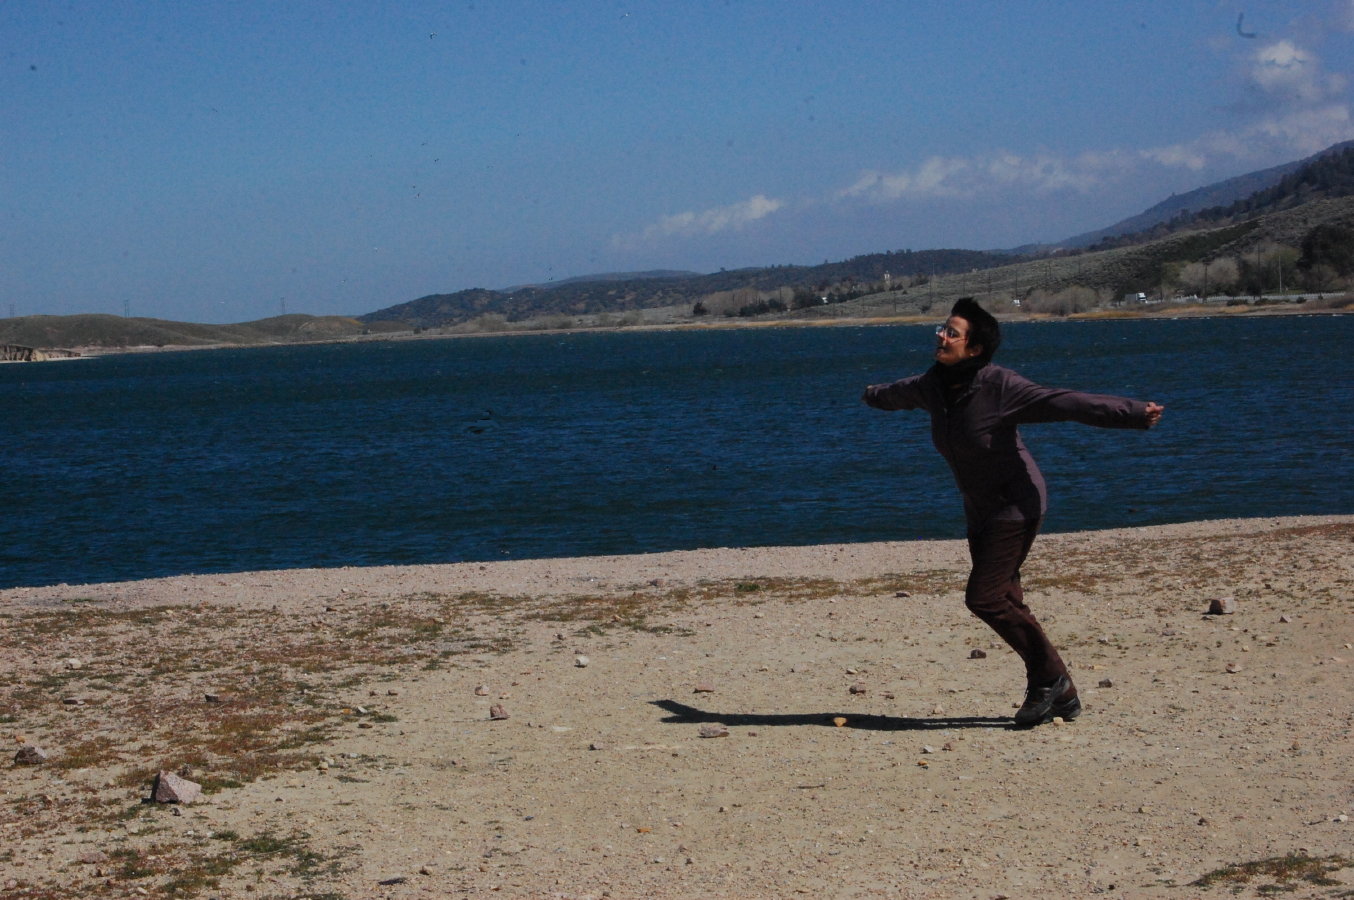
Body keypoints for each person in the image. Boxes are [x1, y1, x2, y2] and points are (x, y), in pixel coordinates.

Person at [862, 297, 1164, 727]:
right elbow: (898, 393)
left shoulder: (1000, 386)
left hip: (1016, 504)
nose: (940, 336)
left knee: (985, 597)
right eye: (942, 329)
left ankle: (1052, 679)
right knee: (1006, 598)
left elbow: (1064, 402)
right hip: (980, 507)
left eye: (951, 332)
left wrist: (1131, 413)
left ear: (974, 348)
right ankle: (1058, 692)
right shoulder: (935, 384)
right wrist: (872, 395)